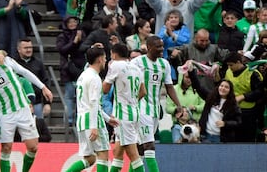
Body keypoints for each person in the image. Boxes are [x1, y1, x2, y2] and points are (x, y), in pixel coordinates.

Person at [0, 43, 53, 172]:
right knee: (6, 148)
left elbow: (24, 72)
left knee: (33, 147)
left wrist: (43, 87)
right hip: (6, 114)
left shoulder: (4, 60)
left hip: (24, 110)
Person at [131, 35, 181, 172]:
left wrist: (178, 104)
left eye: (162, 46)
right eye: (158, 46)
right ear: (149, 48)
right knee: (150, 146)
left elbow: (169, 86)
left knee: (141, 149)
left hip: (154, 110)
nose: (161, 49)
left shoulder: (164, 64)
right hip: (141, 109)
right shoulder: (137, 63)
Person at [66, 47, 118, 172]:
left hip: (82, 121)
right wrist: (94, 126)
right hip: (93, 121)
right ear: (100, 59)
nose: (106, 61)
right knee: (103, 156)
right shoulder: (95, 78)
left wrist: (107, 118)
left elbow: (88, 102)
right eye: (105, 58)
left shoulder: (83, 76)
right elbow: (94, 103)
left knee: (89, 159)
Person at [103, 43, 146, 172]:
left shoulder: (115, 65)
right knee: (117, 152)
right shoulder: (136, 68)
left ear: (114, 54)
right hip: (134, 112)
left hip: (122, 114)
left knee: (133, 154)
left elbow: (105, 89)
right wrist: (131, 100)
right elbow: (143, 91)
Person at [186, 61, 242, 143]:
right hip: (206, 136)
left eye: (226, 87)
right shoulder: (211, 98)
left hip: (221, 138)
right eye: (221, 86)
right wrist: (191, 72)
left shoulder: (233, 104)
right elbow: (198, 87)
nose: (223, 88)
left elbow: (238, 122)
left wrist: (225, 123)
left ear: (230, 91)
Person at [224, 52, 264, 142]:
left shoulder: (252, 73)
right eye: (228, 65)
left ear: (239, 62)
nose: (230, 68)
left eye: (231, 65)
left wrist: (243, 96)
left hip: (248, 112)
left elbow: (260, 92)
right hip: (232, 110)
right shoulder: (228, 72)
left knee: (246, 139)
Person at [56, 15, 86, 126]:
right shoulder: (62, 36)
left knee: (80, 96)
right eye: (70, 22)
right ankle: (68, 120)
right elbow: (62, 50)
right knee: (69, 96)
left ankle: (80, 119)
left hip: (80, 68)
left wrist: (79, 40)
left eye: (74, 22)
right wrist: (74, 42)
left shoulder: (82, 34)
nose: (73, 24)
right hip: (68, 69)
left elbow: (84, 49)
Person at [15, 38, 51, 119]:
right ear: (19, 49)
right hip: (19, 104)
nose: (29, 50)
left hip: (36, 103)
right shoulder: (14, 64)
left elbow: (45, 81)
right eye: (26, 48)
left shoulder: (38, 63)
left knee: (38, 128)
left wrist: (47, 103)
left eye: (30, 47)